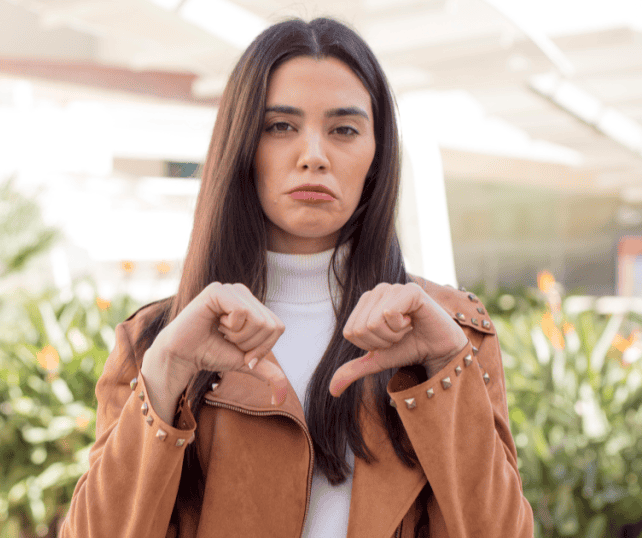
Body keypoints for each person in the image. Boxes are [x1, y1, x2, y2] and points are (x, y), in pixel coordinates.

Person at [61, 17, 533, 538]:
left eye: (344, 130)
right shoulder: (158, 341)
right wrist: (167, 371)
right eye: (280, 126)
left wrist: (446, 365)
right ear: (243, 147)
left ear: (377, 158)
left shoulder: (453, 329)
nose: (313, 156)